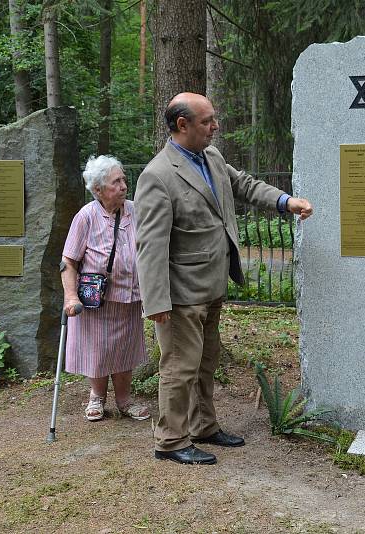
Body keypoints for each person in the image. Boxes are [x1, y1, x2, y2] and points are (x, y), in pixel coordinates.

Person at [135, 92, 313, 465]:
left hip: (212, 284)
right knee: (180, 367)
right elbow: (150, 247)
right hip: (180, 293)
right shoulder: (157, 175)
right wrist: (156, 303)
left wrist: (286, 202)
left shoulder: (211, 157)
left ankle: (203, 426)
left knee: (206, 361)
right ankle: (170, 440)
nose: (215, 127)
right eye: (207, 121)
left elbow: (245, 185)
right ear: (182, 125)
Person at [61, 155, 150, 422]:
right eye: (116, 182)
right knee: (97, 350)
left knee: (125, 349)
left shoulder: (136, 211)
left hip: (130, 295)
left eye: (123, 179)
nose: (123, 185)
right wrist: (70, 295)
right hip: (95, 299)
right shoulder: (86, 216)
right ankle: (96, 397)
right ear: (98, 189)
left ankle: (124, 401)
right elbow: (68, 261)